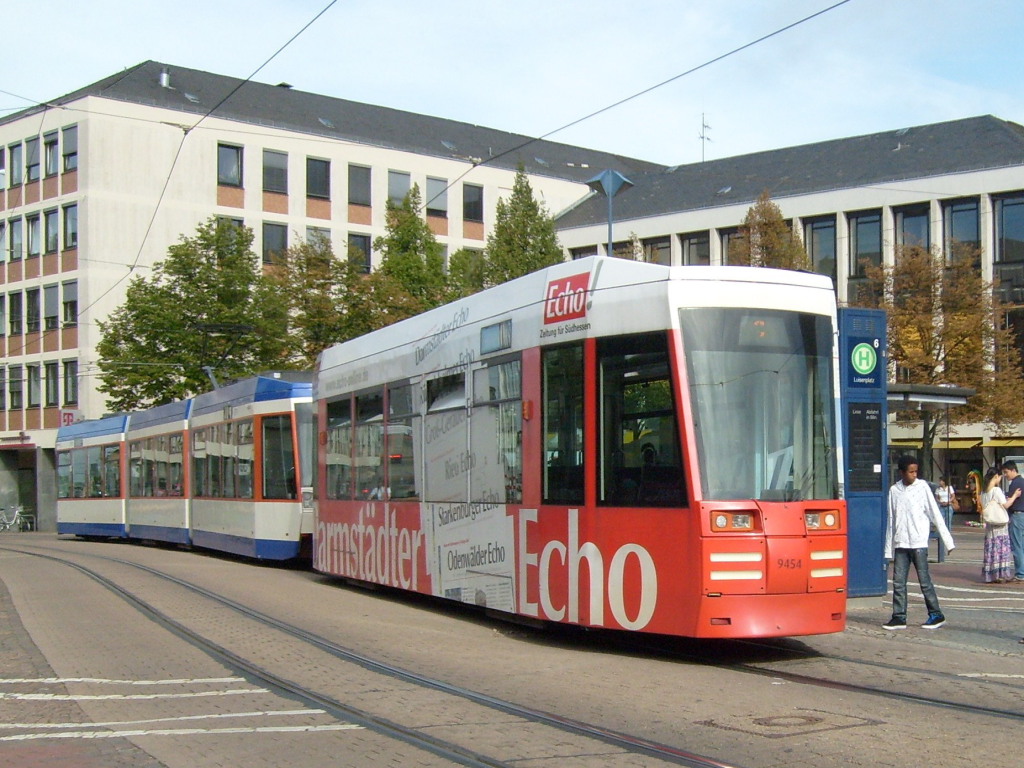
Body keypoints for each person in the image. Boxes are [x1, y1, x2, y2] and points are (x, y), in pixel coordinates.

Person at [883, 456, 954, 630]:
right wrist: (888, 549)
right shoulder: (894, 490)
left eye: (916, 471)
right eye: (911, 471)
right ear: (902, 472)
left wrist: (948, 541)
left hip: (918, 541)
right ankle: (899, 616)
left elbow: (934, 513)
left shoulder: (922, 487)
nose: (914, 475)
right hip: (901, 542)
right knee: (898, 581)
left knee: (924, 581)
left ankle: (936, 614)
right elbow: (891, 519)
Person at [980, 468, 1017, 583]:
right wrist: (1015, 496)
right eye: (1000, 477)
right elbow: (1006, 505)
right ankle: (1000, 574)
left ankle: (990, 574)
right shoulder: (996, 490)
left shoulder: (984, 492)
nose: (1001, 479)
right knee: (1001, 548)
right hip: (999, 524)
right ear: (996, 476)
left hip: (990, 524)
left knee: (991, 548)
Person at [999, 461, 1024, 581]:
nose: (1005, 475)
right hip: (1022, 515)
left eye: (1006, 472)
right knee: (1022, 545)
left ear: (1013, 470)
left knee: (1017, 545)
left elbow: (1009, 502)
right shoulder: (1022, 481)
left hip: (1017, 515)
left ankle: (1020, 573)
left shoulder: (1015, 483)